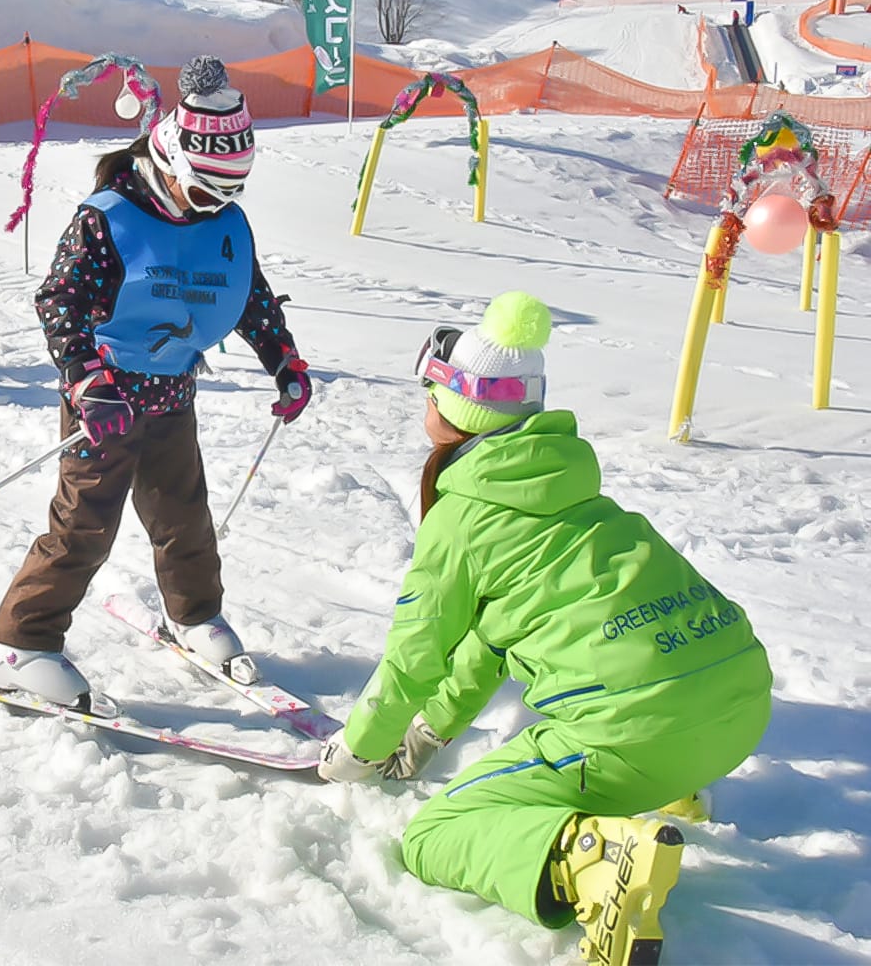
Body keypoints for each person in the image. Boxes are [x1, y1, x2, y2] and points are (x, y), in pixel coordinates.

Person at [316, 291, 772, 966]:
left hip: (637, 739)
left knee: (435, 835)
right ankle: (671, 787)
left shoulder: (464, 518)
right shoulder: (577, 497)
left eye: (429, 394)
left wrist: (359, 749)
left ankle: (595, 862)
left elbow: (417, 654)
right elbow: (491, 641)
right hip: (739, 710)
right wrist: (426, 733)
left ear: (455, 408)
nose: (424, 409)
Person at [0, 55, 313, 708]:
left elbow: (248, 296)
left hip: (173, 393)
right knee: (85, 525)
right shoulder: (108, 219)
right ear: (170, 163)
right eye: (206, 191)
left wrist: (284, 361)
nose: (216, 206)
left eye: (229, 193)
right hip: (107, 402)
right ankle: (22, 642)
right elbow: (59, 300)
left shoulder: (224, 226)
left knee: (185, 516)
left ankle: (195, 613)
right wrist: (85, 380)